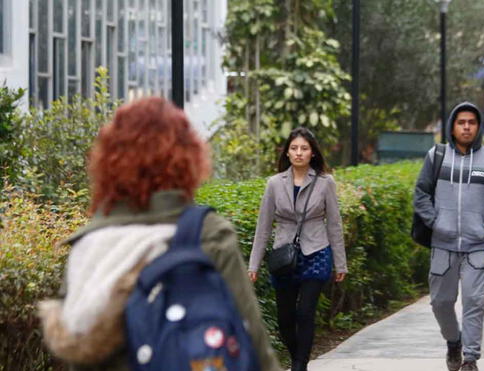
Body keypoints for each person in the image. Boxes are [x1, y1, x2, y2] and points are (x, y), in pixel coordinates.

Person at [37, 97, 283, 370]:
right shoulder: (207, 233)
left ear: (107, 161)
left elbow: (77, 359)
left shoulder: (88, 246)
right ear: (187, 158)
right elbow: (253, 342)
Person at [414, 102, 484, 371]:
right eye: (461, 122)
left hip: (477, 247)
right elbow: (421, 193)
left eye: (471, 122)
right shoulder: (436, 156)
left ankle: (470, 358)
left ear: (479, 127)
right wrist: (435, 221)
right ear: (452, 127)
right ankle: (453, 341)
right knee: (440, 303)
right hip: (442, 245)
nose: (467, 127)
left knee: (474, 303)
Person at [248, 127, 348, 371]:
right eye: (294, 148)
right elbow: (263, 226)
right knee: (285, 319)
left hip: (317, 250)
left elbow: (334, 224)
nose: (299, 153)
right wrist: (253, 264)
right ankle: (297, 358)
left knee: (305, 312)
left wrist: (340, 262)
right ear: (287, 152)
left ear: (312, 153)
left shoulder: (325, 182)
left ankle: (299, 366)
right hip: (284, 254)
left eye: (304, 148)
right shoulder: (274, 184)